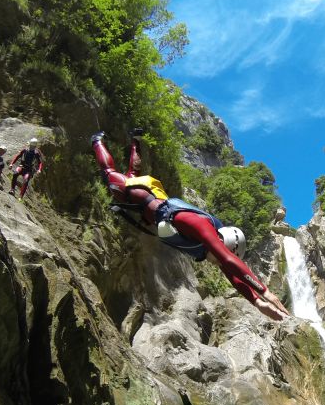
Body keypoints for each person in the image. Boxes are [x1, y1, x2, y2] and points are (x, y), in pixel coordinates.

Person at [90, 129, 291, 321]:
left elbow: (232, 274)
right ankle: (96, 140)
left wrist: (257, 302)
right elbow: (228, 260)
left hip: (147, 200)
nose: (217, 262)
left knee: (133, 174)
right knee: (109, 174)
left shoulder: (206, 245)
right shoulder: (202, 226)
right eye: (222, 252)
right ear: (224, 241)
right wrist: (266, 292)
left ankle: (135, 140)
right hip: (142, 197)